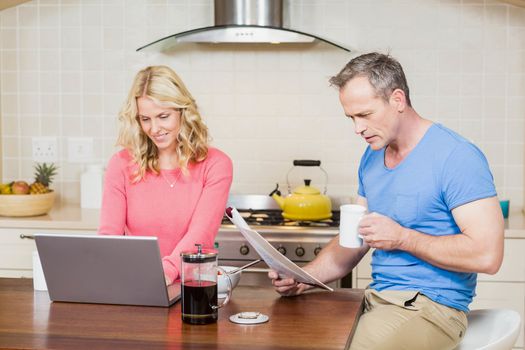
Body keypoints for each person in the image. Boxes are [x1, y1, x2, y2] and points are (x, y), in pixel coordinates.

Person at [268, 53, 504, 350]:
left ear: (397, 99)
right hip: (375, 299)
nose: (358, 129)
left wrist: (402, 238)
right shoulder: (372, 156)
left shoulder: (456, 157)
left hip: (431, 308)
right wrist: (304, 277)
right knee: (285, 335)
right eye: (351, 118)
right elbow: (353, 240)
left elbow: (487, 256)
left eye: (365, 115)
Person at [98, 65, 233, 286]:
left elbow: (201, 233)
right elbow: (108, 235)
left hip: (193, 286)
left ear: (183, 112)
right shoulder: (121, 164)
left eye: (163, 116)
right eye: (145, 119)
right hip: (137, 284)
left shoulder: (216, 164)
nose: (154, 128)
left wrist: (166, 272)